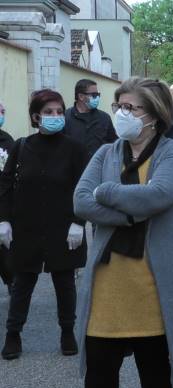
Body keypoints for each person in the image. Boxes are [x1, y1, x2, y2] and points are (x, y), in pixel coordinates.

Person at [73, 77, 173, 388]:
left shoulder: (172, 155)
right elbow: (81, 201)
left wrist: (108, 191)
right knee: (99, 382)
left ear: (153, 115)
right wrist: (131, 213)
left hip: (153, 294)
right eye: (119, 106)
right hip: (106, 295)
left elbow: (159, 194)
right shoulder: (105, 154)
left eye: (130, 107)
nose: (121, 113)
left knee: (156, 381)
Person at [0, 89, 88, 360]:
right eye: (49, 112)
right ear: (36, 117)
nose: (55, 116)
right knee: (22, 282)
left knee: (65, 283)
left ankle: (67, 331)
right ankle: (13, 334)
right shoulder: (22, 146)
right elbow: (5, 186)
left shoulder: (75, 148)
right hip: (26, 227)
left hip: (63, 227)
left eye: (59, 112)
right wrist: (3, 220)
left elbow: (84, 188)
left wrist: (79, 222)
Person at [64, 79, 117, 158]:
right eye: (94, 95)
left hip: (98, 168)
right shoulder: (65, 117)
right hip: (73, 168)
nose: (97, 97)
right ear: (81, 96)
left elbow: (113, 144)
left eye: (98, 94)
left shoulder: (104, 118)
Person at [0, 100, 14, 291]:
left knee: (5, 248)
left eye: (3, 111)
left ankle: (11, 280)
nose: (2, 114)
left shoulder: (6, 140)